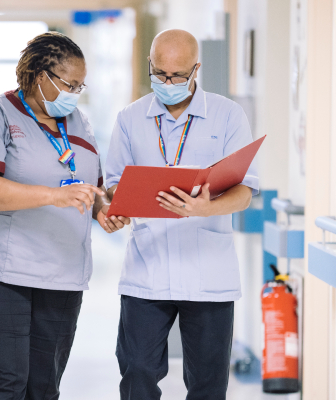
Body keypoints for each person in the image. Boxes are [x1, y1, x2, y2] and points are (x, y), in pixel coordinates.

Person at [0, 32, 130, 399]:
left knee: (44, 386)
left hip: (61, 274)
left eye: (81, 86)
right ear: (39, 76)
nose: (75, 94)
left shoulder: (78, 122)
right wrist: (52, 196)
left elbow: (89, 186)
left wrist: (103, 209)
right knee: (6, 380)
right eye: (69, 84)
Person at [105, 29, 259, 400]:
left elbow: (245, 192)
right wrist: (119, 204)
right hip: (148, 266)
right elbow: (112, 182)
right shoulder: (130, 118)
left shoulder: (227, 115)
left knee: (208, 382)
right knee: (137, 371)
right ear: (150, 66)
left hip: (208, 269)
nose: (168, 83)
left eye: (177, 75)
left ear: (196, 69)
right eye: (160, 74)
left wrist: (208, 207)